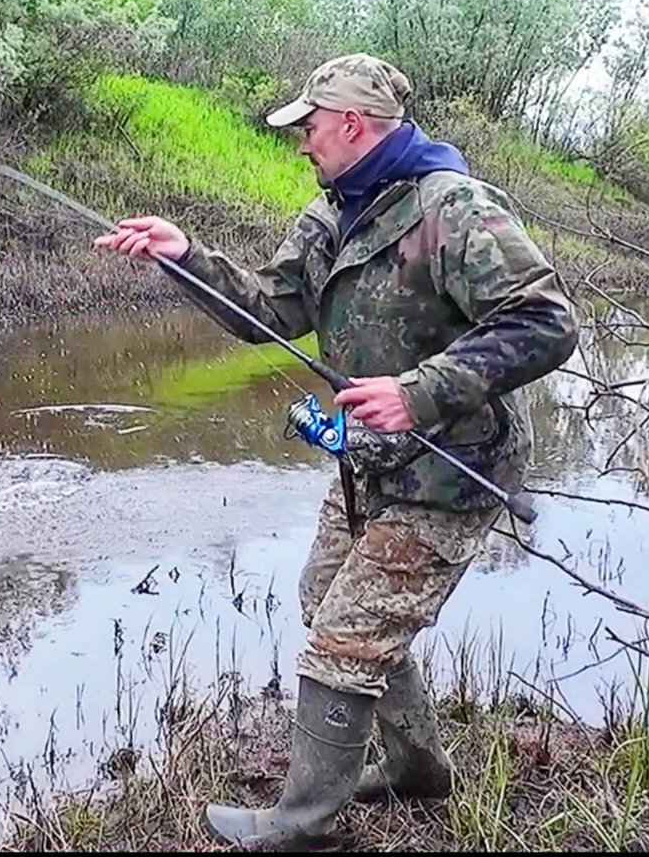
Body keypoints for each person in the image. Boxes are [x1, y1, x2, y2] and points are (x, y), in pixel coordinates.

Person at [92, 53, 579, 849]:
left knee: (344, 642)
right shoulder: (330, 216)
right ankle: (419, 771)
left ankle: (303, 823)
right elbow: (268, 311)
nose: (301, 143)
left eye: (309, 127)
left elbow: (547, 320)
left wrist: (418, 391)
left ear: (352, 124)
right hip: (369, 463)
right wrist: (185, 255)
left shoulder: (453, 208)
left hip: (452, 470)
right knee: (325, 599)